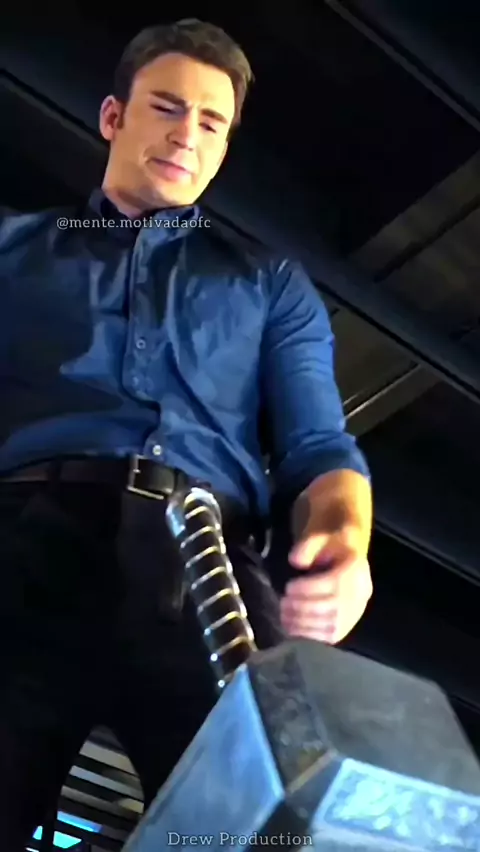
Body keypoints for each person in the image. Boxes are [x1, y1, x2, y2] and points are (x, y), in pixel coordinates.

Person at [0, 18, 373, 848]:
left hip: (210, 569)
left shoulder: (270, 284)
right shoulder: (12, 252)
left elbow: (319, 447)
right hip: (22, 545)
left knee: (264, 831)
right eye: (166, 107)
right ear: (112, 117)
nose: (186, 136)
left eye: (211, 123)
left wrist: (347, 543)